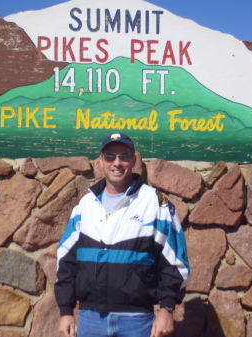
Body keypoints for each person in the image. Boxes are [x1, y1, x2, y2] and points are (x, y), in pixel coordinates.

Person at [55, 133, 190, 337]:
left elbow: (176, 261)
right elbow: (66, 260)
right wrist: (66, 310)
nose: (117, 163)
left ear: (134, 160)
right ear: (100, 162)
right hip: (90, 320)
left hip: (137, 322)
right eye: (110, 157)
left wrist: (167, 308)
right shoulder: (85, 205)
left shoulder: (155, 203)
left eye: (124, 157)